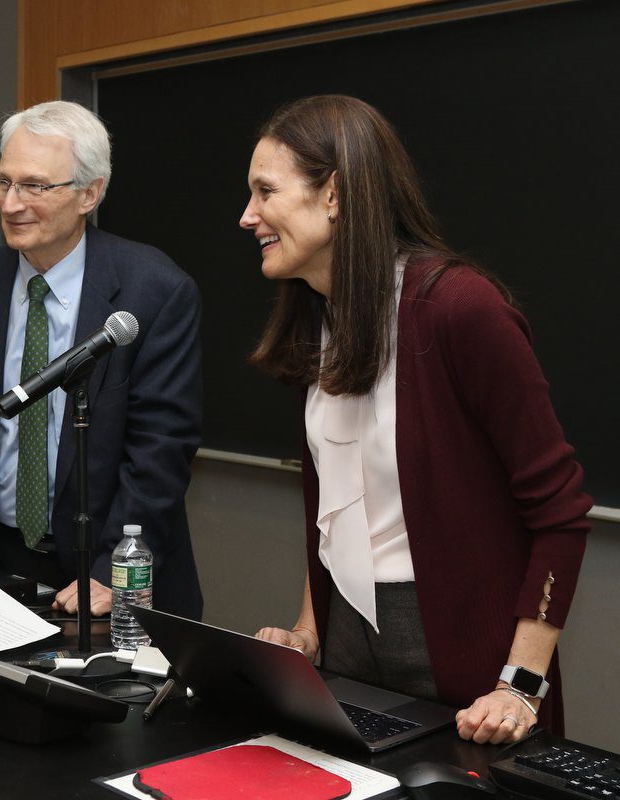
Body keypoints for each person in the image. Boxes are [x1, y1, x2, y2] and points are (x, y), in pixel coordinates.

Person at [240, 95, 591, 743]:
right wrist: (307, 631)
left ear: (335, 195)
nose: (247, 216)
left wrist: (521, 685)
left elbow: (561, 516)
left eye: (265, 192)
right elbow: (335, 507)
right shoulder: (316, 324)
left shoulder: (459, 307)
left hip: (468, 666)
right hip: (347, 645)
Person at [0, 101, 204, 619]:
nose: (10, 204)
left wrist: (113, 572)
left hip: (109, 568)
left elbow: (160, 450)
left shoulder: (153, 289)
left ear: (89, 194)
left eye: (34, 186)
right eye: (3, 183)